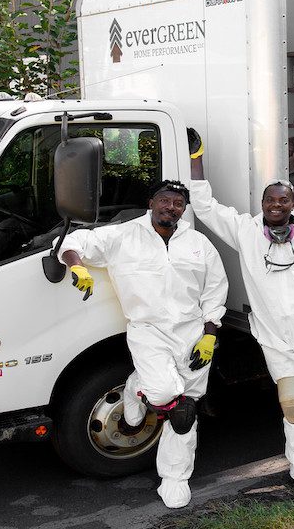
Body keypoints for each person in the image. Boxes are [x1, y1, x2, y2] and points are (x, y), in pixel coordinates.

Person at [188, 141, 294, 499]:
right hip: (275, 334)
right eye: (270, 201)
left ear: (293, 204)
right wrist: (196, 159)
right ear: (262, 204)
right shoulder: (246, 232)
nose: (276, 206)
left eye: (283, 200)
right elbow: (204, 206)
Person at [59, 179, 228, 509]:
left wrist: (209, 334)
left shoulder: (199, 244)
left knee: (185, 412)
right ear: (151, 202)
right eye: (165, 201)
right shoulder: (123, 236)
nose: (171, 208)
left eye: (178, 204)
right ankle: (138, 387)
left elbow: (215, 291)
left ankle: (174, 479)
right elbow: (72, 240)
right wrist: (77, 266)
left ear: (184, 209)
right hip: (148, 333)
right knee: (164, 394)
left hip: (193, 335)